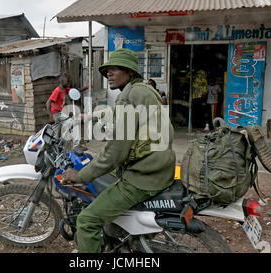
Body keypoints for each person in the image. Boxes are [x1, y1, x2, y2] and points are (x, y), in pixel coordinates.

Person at [61, 48, 176, 253]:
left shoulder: (128, 96)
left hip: (144, 176)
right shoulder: (144, 90)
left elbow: (115, 153)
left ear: (130, 72)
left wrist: (82, 175)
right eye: (107, 71)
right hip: (160, 166)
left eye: (116, 69)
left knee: (87, 220)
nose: (110, 74)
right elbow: (116, 111)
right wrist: (88, 117)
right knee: (103, 179)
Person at [46, 75, 88, 148]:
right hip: (57, 114)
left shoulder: (65, 89)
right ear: (62, 82)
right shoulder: (57, 90)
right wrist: (51, 116)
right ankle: (76, 146)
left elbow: (75, 91)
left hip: (60, 113)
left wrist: (86, 87)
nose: (69, 83)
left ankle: (54, 147)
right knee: (73, 123)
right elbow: (48, 103)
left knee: (56, 132)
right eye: (67, 81)